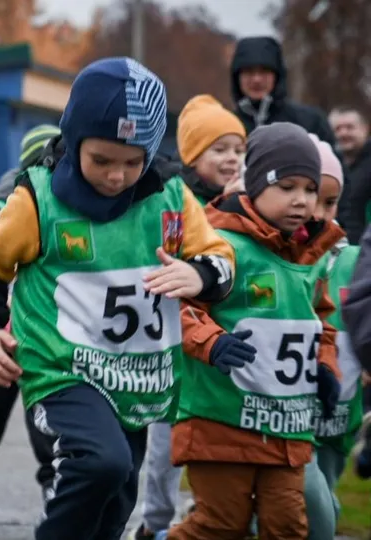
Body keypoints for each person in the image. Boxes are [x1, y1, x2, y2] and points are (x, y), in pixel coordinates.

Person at [0, 57, 235, 540]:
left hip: (134, 378)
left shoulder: (170, 195)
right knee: (101, 463)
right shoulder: (37, 199)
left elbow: (218, 255)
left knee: (117, 503)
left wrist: (198, 275)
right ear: (73, 141)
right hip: (61, 371)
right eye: (102, 160)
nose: (116, 177)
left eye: (134, 163)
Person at [162, 122, 344, 540]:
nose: (301, 200)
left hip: (287, 425)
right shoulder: (220, 244)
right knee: (220, 525)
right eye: (286, 187)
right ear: (256, 185)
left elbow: (322, 322)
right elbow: (181, 306)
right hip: (221, 419)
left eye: (309, 189)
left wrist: (325, 368)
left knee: (287, 527)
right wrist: (214, 343)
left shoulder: (312, 256)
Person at [131, 94, 247, 540]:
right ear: (193, 156)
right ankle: (154, 521)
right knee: (164, 446)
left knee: (221, 440)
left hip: (225, 346)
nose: (232, 159)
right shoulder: (175, 203)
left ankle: (209, 512)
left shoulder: (252, 202)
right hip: (178, 344)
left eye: (238, 149)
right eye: (219, 150)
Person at [0, 123, 60, 506]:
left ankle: (52, 481)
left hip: (48, 335)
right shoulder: (4, 209)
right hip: (6, 334)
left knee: (47, 420)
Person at [305, 134, 361, 540]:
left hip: (341, 415)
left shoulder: (356, 261)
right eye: (311, 197)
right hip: (286, 414)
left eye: (330, 202)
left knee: (324, 487)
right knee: (308, 496)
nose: (320, 213)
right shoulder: (276, 258)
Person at [229, 36, 334, 143]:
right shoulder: (226, 125)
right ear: (237, 77)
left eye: (264, 71)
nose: (257, 79)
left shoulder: (310, 121)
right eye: (249, 71)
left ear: (277, 75)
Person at [329, 107, 371, 244]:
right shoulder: (332, 168)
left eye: (349, 127)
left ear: (365, 129)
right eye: (338, 129)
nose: (343, 133)